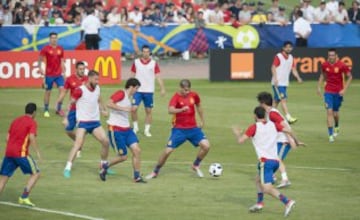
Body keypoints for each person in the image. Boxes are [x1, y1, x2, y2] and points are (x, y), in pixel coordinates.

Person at [232, 106, 298, 217]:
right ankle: (259, 203)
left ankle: (287, 202)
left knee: (267, 188)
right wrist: (296, 141)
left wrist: (237, 133)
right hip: (275, 162)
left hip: (265, 162)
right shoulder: (273, 125)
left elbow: (240, 141)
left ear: (255, 116)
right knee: (258, 180)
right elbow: (288, 130)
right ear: (265, 115)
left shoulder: (254, 127)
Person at [146, 79, 210, 179]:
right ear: (180, 88)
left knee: (206, 146)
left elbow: (198, 105)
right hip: (179, 130)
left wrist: (202, 120)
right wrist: (181, 109)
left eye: (188, 90)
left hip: (193, 128)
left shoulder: (194, 95)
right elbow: (170, 110)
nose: (187, 92)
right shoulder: (175, 97)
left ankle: (196, 165)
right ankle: (155, 171)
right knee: (167, 151)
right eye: (185, 90)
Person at [63, 70, 110, 180]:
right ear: (89, 78)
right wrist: (65, 117)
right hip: (83, 123)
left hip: (95, 122)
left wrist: (104, 110)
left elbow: (99, 99)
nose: (97, 81)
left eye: (98, 79)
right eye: (95, 79)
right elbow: (70, 103)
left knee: (106, 142)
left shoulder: (97, 88)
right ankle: (67, 168)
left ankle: (103, 166)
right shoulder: (80, 90)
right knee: (77, 144)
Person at [257, 92, 302, 188]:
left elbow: (286, 127)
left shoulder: (273, 114)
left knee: (277, 159)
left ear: (263, 103)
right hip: (278, 141)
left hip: (284, 141)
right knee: (271, 158)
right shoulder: (269, 113)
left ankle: (285, 179)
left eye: (260, 103)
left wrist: (293, 140)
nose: (259, 105)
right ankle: (271, 177)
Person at [0, 103, 41, 207]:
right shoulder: (32, 122)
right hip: (20, 153)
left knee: (4, 177)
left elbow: (7, 138)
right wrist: (37, 152)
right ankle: (24, 197)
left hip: (9, 153)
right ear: (34, 112)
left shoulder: (15, 121)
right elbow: (32, 137)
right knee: (36, 173)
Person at [106, 78, 146, 183]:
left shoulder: (129, 98)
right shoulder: (121, 93)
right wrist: (125, 109)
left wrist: (132, 110)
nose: (136, 91)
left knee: (137, 150)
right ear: (131, 87)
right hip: (116, 129)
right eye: (136, 88)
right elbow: (109, 103)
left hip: (127, 129)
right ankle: (105, 165)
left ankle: (137, 176)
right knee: (123, 157)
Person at [317, 48, 352, 143]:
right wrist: (318, 87)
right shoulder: (324, 65)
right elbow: (322, 75)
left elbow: (350, 77)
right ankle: (330, 135)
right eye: (329, 55)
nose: (331, 57)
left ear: (336, 55)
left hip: (338, 92)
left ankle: (336, 125)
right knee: (329, 112)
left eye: (332, 55)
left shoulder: (342, 65)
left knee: (335, 113)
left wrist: (344, 89)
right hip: (328, 91)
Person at [131, 44, 166, 137]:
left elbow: (158, 76)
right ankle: (135, 127)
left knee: (148, 111)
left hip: (149, 91)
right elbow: (132, 75)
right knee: (133, 109)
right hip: (137, 90)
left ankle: (147, 130)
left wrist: (162, 88)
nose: (146, 53)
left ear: (149, 52)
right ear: (142, 52)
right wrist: (130, 88)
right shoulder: (136, 62)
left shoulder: (153, 63)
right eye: (144, 51)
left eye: (147, 52)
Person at [58, 61, 88, 158]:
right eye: (80, 69)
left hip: (84, 110)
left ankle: (79, 148)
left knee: (81, 130)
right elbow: (64, 92)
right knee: (68, 130)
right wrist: (59, 101)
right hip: (73, 108)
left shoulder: (88, 79)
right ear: (76, 69)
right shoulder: (70, 79)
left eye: (83, 69)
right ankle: (78, 141)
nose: (82, 71)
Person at [271, 41, 303, 124]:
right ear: (283, 48)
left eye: (290, 47)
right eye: (287, 47)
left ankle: (269, 118)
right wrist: (275, 78)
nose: (288, 48)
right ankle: (288, 117)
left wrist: (298, 77)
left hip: (284, 83)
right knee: (283, 99)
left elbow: (293, 69)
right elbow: (273, 67)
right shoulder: (279, 56)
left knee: (276, 101)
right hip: (278, 83)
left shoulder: (291, 57)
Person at [38, 32, 66, 118]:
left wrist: (64, 71)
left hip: (58, 74)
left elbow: (61, 60)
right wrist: (40, 68)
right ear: (49, 39)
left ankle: (58, 108)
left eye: (55, 38)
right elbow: (40, 58)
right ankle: (46, 110)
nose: (54, 39)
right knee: (48, 92)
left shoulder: (60, 49)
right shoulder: (45, 49)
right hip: (49, 75)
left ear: (57, 39)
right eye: (52, 38)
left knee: (63, 90)